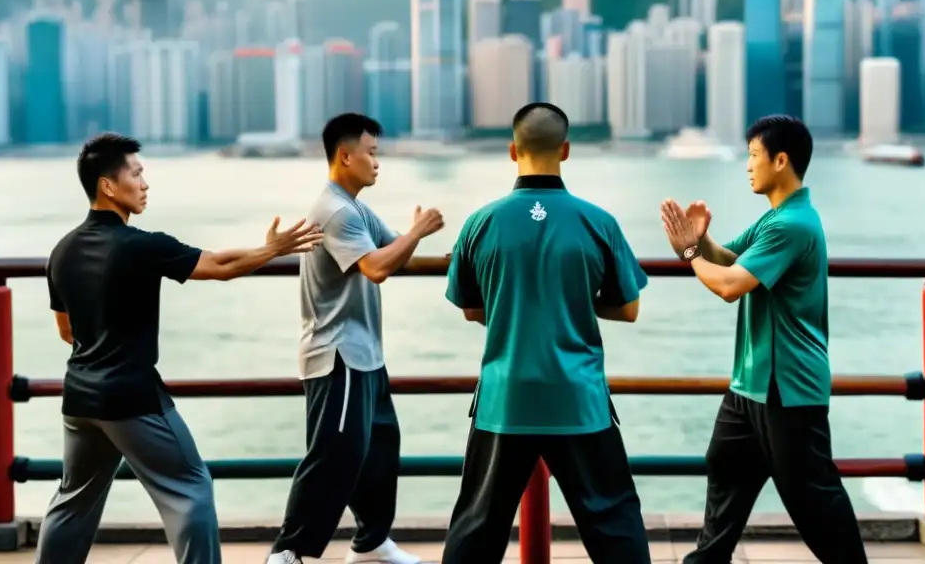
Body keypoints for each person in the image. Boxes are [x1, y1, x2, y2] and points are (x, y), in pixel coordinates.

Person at [36, 132, 323, 564]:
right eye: (136, 174)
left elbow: (67, 331)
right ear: (108, 186)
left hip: (79, 399)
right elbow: (220, 266)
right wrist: (273, 249)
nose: (145, 183)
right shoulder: (141, 246)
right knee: (191, 488)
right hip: (131, 398)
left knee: (73, 500)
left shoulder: (62, 251)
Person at [440, 102, 653, 564]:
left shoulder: (480, 224)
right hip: (578, 399)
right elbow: (630, 307)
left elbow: (473, 310)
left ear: (513, 151)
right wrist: (573, 297)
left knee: (477, 524)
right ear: (567, 150)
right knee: (614, 520)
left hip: (506, 398)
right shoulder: (598, 222)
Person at [659, 114, 867, 564]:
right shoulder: (775, 219)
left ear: (781, 160)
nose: (748, 165)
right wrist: (701, 240)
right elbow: (730, 258)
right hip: (749, 385)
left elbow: (730, 286)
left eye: (754, 156)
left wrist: (690, 252)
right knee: (725, 472)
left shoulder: (792, 225)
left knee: (813, 499)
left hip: (786, 387)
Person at [267, 113, 444, 564]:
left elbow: (392, 250)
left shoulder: (356, 206)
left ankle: (371, 544)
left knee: (380, 449)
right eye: (370, 153)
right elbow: (378, 268)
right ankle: (288, 552)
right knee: (334, 456)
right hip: (337, 355)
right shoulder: (337, 211)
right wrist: (419, 231)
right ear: (345, 156)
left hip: (364, 353)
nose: (376, 162)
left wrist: (452, 256)